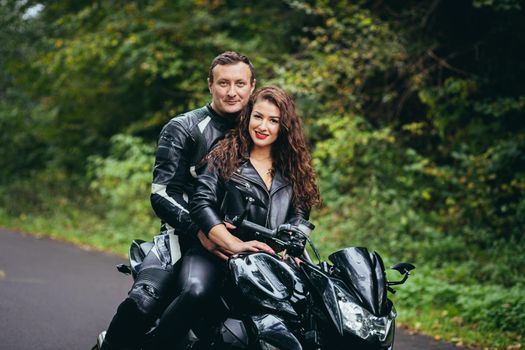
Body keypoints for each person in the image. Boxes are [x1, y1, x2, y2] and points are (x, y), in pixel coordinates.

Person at [98, 51, 257, 350]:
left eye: (240, 83)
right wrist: (202, 232)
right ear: (210, 85)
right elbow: (161, 194)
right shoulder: (183, 127)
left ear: (252, 86)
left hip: (243, 243)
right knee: (142, 304)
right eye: (223, 83)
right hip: (182, 237)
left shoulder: (261, 129)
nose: (232, 92)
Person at [148, 86, 320, 348]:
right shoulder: (224, 155)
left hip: (268, 263)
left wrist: (294, 246)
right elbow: (201, 202)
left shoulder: (294, 168)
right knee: (196, 291)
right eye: (258, 116)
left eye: (273, 120)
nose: (263, 126)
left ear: (284, 126)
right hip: (217, 253)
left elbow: (300, 213)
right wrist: (231, 242)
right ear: (248, 117)